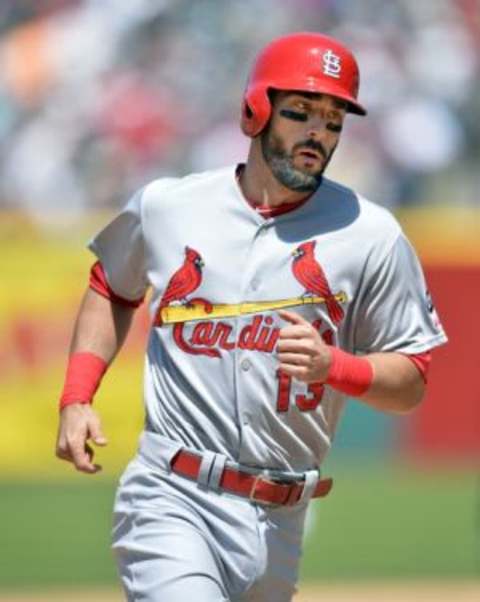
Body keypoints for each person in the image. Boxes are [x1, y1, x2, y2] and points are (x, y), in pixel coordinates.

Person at [55, 32, 447, 601]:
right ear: (254, 111)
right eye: (301, 112)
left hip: (283, 520)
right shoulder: (170, 207)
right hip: (174, 494)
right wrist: (76, 395)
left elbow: (412, 378)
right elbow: (110, 287)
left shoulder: (371, 234)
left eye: (334, 119)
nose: (319, 132)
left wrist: (337, 366)